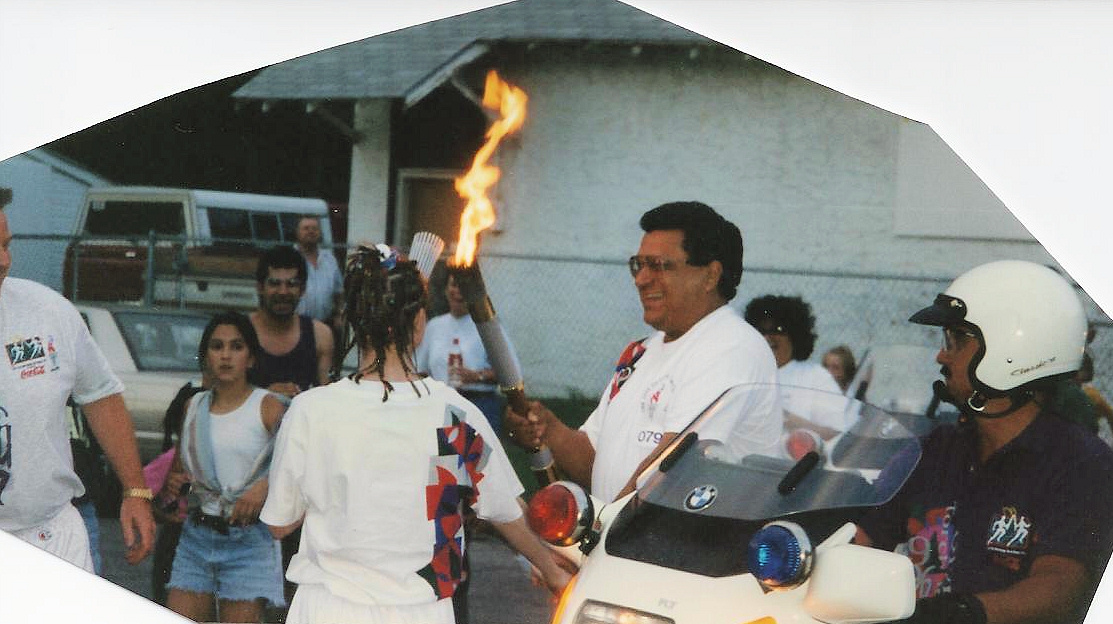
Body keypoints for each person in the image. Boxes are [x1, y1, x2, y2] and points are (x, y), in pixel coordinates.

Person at [260, 244, 571, 624]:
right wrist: (553, 571)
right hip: (422, 610)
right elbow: (505, 508)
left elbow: (280, 523)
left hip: (327, 608)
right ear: (420, 322)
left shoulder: (310, 410)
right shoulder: (454, 414)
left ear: (353, 321)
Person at [855, 260, 1113, 624]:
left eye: (956, 340)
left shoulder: (1081, 464)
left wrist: (962, 613)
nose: (941, 355)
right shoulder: (936, 448)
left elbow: (1059, 587)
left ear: (1011, 351)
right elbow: (863, 538)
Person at [506, 201, 782, 503]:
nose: (641, 279)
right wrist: (549, 430)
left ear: (710, 276)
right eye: (639, 265)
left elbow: (672, 469)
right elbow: (594, 464)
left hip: (685, 533)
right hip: (627, 531)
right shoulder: (642, 352)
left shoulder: (732, 346)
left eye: (659, 266)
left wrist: (603, 525)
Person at [0, 188, 155, 571]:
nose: (4, 261)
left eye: (6, 245)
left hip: (53, 536)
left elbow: (100, 395)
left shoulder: (48, 312)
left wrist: (135, 490)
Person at [166, 311, 286, 623]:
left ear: (251, 358)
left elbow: (299, 463)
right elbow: (179, 471)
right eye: (217, 346)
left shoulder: (268, 406)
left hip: (249, 541)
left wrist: (265, 487)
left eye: (237, 346)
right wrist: (173, 490)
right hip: (197, 537)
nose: (226, 355)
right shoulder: (193, 406)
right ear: (205, 356)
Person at [744, 295, 847, 438]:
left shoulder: (816, 377)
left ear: (795, 335)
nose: (767, 337)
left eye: (778, 329)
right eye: (761, 331)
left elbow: (836, 434)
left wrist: (787, 419)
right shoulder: (742, 374)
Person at [416, 271, 504, 436]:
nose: (458, 291)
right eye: (454, 285)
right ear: (446, 290)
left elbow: (507, 373)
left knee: (477, 453)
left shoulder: (487, 326)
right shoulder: (434, 326)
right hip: (442, 404)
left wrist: (477, 376)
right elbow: (420, 370)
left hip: (480, 404)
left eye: (464, 286)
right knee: (444, 452)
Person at [248, 245, 334, 400]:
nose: (283, 292)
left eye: (291, 284)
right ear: (260, 287)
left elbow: (326, 398)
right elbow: (221, 396)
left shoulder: (320, 335)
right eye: (275, 283)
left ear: (303, 289)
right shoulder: (240, 332)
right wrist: (264, 397)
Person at [293, 215, 343, 327]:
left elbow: (339, 292)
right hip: (295, 325)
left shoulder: (330, 259)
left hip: (325, 324)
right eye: (306, 228)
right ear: (297, 232)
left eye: (314, 228)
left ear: (320, 233)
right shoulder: (289, 258)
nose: (311, 231)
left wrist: (339, 314)